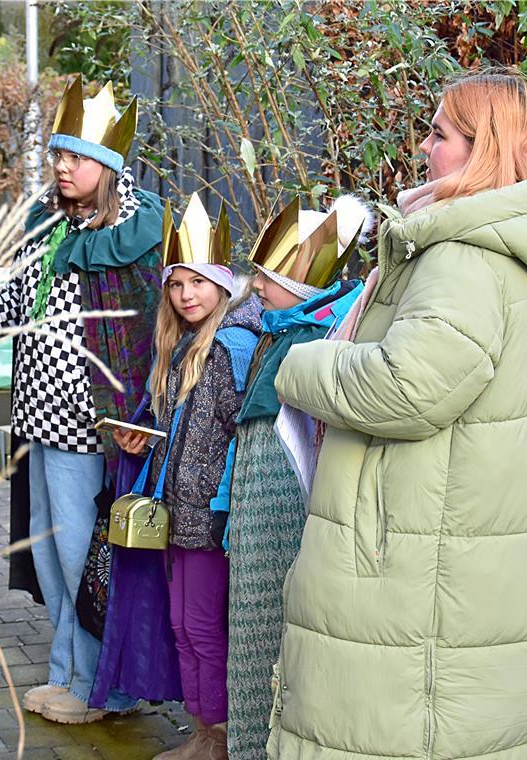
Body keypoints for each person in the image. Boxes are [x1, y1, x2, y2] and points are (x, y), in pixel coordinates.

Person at [266, 71, 527, 759]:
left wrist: (298, 365)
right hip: (471, 575)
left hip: (420, 583)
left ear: (482, 149)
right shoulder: (524, 242)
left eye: (439, 134)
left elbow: (408, 387)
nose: (423, 147)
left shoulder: (466, 256)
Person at [0, 75, 164, 725]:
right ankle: (68, 674)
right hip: (39, 417)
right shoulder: (48, 226)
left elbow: (155, 329)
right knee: (49, 550)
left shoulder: (135, 227)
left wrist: (143, 417)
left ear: (106, 165)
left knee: (88, 556)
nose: (62, 166)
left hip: (94, 424)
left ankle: (103, 687)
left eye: (75, 157)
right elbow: (12, 309)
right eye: (58, 154)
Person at [115, 194, 261, 760]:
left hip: (211, 518)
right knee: (182, 629)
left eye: (197, 282)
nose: (186, 295)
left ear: (222, 285)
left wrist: (223, 508)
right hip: (178, 512)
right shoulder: (179, 352)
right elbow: (184, 435)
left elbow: (236, 434)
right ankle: (202, 731)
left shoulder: (228, 349)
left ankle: (218, 739)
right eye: (176, 285)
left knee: (202, 629)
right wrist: (146, 442)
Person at [225, 195, 372, 760]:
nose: (257, 287)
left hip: (289, 524)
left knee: (276, 650)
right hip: (256, 524)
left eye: (268, 277)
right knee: (252, 648)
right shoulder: (277, 334)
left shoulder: (317, 342)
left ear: (303, 286)